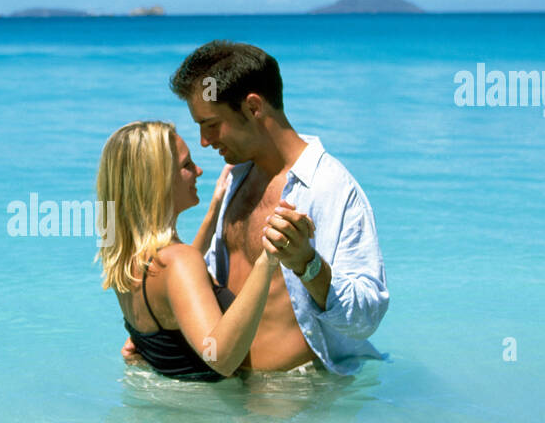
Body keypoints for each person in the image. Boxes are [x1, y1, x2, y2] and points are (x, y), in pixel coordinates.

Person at [124, 40, 389, 375]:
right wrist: (160, 337)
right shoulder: (235, 176)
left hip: (297, 400)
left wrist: (307, 265)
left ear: (252, 107)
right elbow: (209, 281)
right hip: (232, 392)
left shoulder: (330, 188)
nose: (204, 141)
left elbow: (366, 318)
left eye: (210, 124)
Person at [96, 120, 306, 381]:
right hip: (220, 414)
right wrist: (268, 259)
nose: (199, 170)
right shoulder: (179, 262)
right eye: (186, 166)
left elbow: (177, 289)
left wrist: (213, 212)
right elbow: (222, 359)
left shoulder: (127, 260)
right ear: (158, 182)